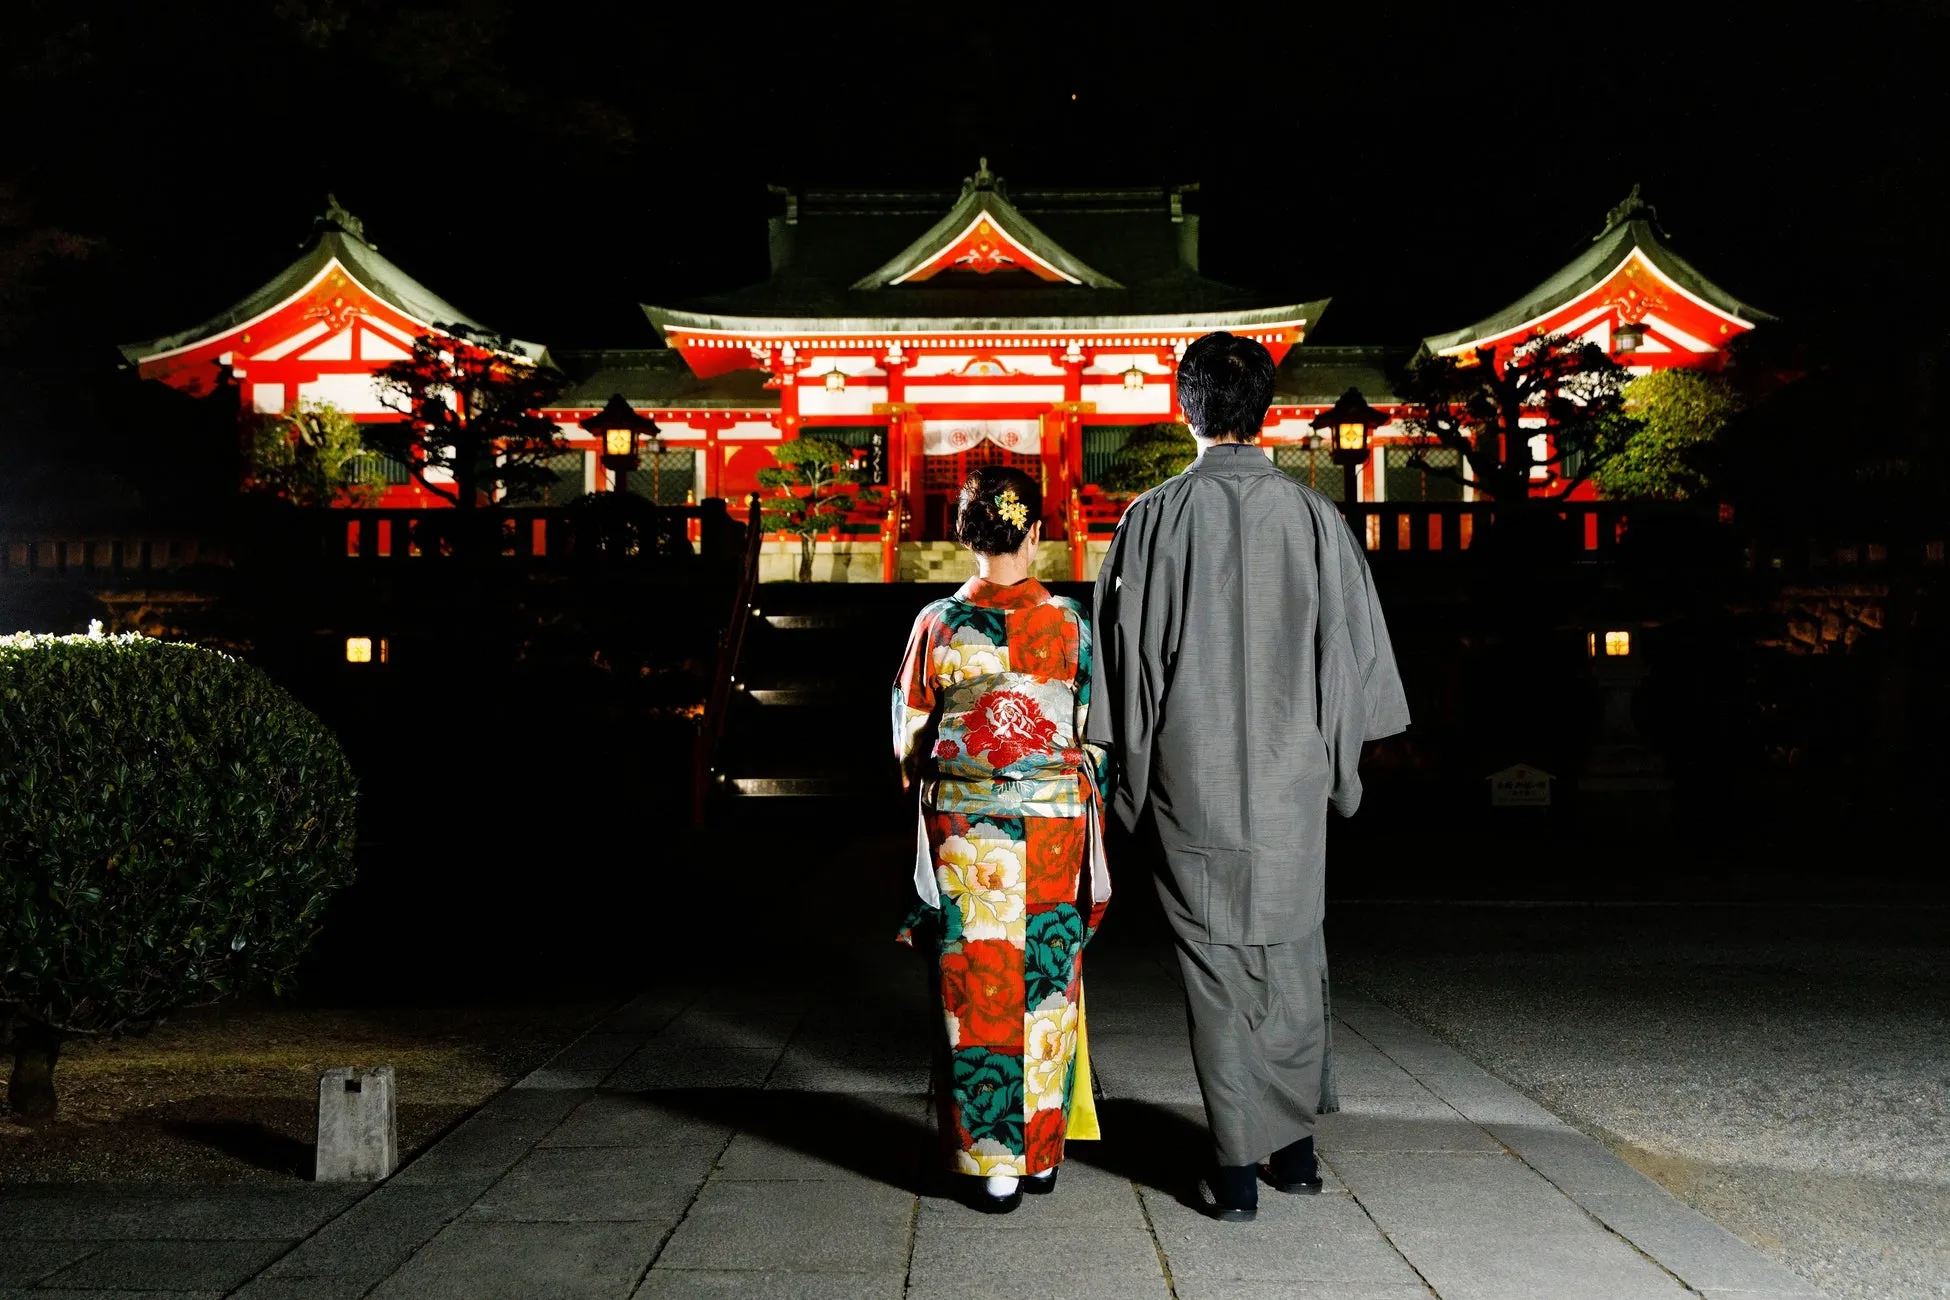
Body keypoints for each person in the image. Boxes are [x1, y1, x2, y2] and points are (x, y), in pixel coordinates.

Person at [1088, 332, 1410, 1222]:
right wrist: (1339, 762)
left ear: (1183, 406)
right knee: (1293, 949)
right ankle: (1295, 1154)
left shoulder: (1151, 518)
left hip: (1190, 773)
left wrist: (1126, 772)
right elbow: (1351, 660)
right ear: (1264, 408)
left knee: (1216, 963)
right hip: (1290, 771)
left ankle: (1236, 1173)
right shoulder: (1314, 518)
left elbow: (1127, 665)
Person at [892, 465, 1111, 1214]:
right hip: (1053, 825)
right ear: (1038, 531)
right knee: (1046, 984)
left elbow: (911, 739)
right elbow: (1093, 740)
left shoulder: (938, 625)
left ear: (963, 535)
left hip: (965, 831)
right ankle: (1042, 1154)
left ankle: (993, 1166)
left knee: (976, 985)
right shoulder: (1070, 625)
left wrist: (940, 792)